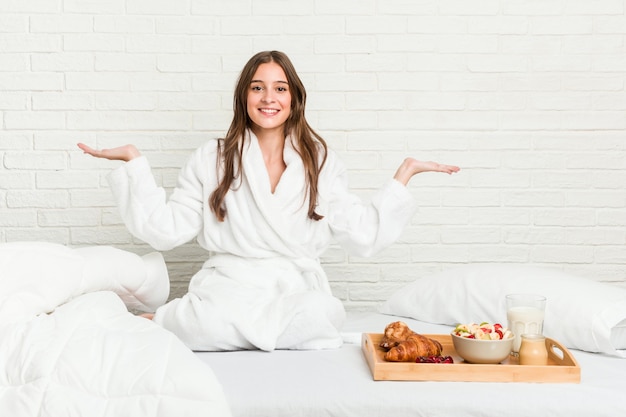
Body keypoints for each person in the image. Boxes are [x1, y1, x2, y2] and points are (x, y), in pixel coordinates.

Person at [77, 50, 459, 352]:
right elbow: (165, 229)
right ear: (244, 96)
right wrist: (134, 165)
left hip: (292, 287)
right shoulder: (213, 156)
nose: (268, 98)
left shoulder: (319, 159)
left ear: (294, 97)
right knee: (208, 317)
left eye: (279, 88)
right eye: (257, 87)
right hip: (229, 284)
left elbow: (361, 233)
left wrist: (403, 175)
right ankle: (180, 320)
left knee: (321, 313)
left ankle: (181, 322)